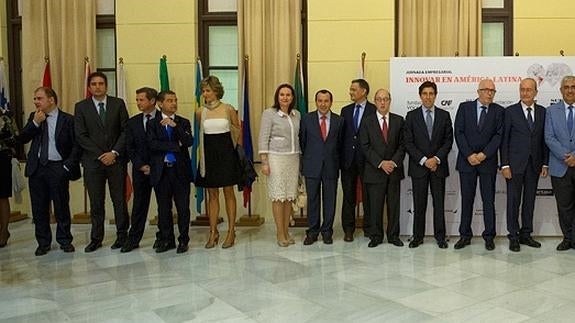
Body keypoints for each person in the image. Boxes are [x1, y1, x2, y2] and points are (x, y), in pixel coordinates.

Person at [18, 87, 80, 256]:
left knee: (61, 205)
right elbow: (22, 138)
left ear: (51, 100)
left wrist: (67, 166)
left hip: (57, 167)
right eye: (35, 99)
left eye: (39, 98)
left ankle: (65, 240)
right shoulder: (34, 117)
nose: (36, 102)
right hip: (37, 168)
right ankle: (43, 243)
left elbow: (76, 145)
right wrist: (35, 123)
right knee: (39, 208)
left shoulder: (67, 119)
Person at [74, 71, 129, 253]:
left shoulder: (118, 104)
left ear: (106, 86)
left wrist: (113, 153)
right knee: (96, 202)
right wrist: (101, 154)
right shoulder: (81, 107)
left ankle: (122, 236)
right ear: (89, 88)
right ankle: (96, 238)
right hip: (93, 162)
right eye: (94, 84)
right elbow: (81, 136)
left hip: (116, 161)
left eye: (101, 84)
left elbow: (125, 131)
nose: (97, 87)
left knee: (119, 200)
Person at [454, 79, 504, 250]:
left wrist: (483, 155)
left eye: (493, 91)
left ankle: (489, 236)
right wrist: (469, 154)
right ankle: (464, 235)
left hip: (487, 163)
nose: (490, 93)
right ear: (478, 91)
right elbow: (458, 132)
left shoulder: (499, 111)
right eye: (486, 90)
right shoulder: (464, 108)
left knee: (488, 201)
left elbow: (498, 136)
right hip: (467, 163)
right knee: (467, 200)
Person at [404, 81, 453, 249]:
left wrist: (436, 159)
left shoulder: (444, 115)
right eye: (425, 94)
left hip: (438, 167)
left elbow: (448, 141)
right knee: (419, 204)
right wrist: (425, 160)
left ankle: (440, 237)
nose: (428, 97)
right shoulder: (411, 116)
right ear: (420, 96)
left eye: (431, 93)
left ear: (435, 95)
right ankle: (417, 237)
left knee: (439, 204)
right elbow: (408, 143)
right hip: (419, 168)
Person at [501, 78, 548, 252]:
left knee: (529, 201)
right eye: (522, 89)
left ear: (536, 92)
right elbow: (504, 140)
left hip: (534, 165)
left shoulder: (543, 112)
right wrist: (504, 164)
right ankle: (513, 236)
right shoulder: (510, 112)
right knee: (513, 201)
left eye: (529, 90)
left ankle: (526, 234)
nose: (525, 93)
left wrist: (545, 163)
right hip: (514, 166)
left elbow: (544, 140)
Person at [195, 76, 240, 249]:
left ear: (216, 91)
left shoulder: (228, 109)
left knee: (228, 192)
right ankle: (213, 231)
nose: (205, 94)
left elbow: (237, 131)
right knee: (212, 194)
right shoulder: (200, 112)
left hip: (227, 155)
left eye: (208, 90)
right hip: (209, 157)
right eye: (203, 91)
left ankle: (231, 230)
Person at [148, 90, 193, 253]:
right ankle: (167, 240)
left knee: (183, 208)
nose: (173, 103)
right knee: (164, 208)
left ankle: (183, 240)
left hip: (180, 171)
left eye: (175, 100)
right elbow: (152, 145)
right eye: (169, 101)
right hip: (162, 172)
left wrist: (176, 128)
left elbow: (188, 142)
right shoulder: (153, 124)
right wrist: (175, 146)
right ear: (160, 104)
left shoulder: (183, 122)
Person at [359, 88, 405, 248]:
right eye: (379, 99)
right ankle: (376, 236)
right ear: (375, 101)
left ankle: (393, 236)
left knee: (394, 206)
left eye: (386, 99)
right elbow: (364, 146)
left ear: (390, 101)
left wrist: (392, 163)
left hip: (393, 171)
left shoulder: (399, 121)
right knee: (375, 207)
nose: (383, 102)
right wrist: (381, 163)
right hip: (374, 171)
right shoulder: (367, 121)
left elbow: (402, 145)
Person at [259, 84, 301, 247]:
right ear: (277, 97)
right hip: (275, 158)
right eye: (282, 95)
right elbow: (263, 137)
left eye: (288, 95)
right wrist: (264, 161)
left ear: (292, 97)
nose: (285, 97)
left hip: (293, 158)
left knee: (289, 196)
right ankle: (280, 233)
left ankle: (286, 230)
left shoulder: (296, 115)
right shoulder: (269, 114)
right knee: (278, 196)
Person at [300, 89, 343, 245]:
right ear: (316, 102)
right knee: (312, 200)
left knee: (330, 200)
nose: (323, 104)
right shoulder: (306, 119)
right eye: (320, 101)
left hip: (331, 166)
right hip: (312, 166)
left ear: (331, 102)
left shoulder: (339, 121)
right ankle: (312, 232)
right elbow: (303, 143)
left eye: (326, 101)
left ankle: (327, 232)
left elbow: (340, 145)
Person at [122, 87, 162, 253]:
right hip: (140, 171)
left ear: (152, 101)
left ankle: (163, 238)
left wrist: (154, 166)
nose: (138, 103)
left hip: (160, 170)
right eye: (137, 100)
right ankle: (133, 239)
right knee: (139, 205)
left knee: (163, 205)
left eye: (141, 100)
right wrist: (141, 166)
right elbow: (130, 148)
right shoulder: (132, 122)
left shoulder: (164, 119)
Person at [340, 79, 376, 242]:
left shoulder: (374, 110)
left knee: (368, 195)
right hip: (348, 160)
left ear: (364, 91)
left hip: (368, 160)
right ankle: (348, 229)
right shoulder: (345, 110)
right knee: (348, 196)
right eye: (350, 89)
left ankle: (369, 227)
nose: (351, 92)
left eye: (354, 89)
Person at [544, 75, 575, 251]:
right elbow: (549, 137)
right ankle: (567, 238)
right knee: (564, 206)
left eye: (573, 87)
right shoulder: (551, 111)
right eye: (567, 87)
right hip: (560, 166)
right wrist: (567, 157)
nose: (570, 90)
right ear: (561, 90)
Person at [0, 106, 18, 248]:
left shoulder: (5, 117)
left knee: (2, 196)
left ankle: (4, 231)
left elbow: (16, 137)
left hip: (2, 160)